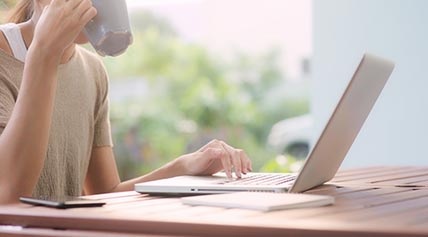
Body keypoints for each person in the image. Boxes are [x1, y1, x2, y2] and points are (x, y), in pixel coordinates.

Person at [0, 0, 252, 204]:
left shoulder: (92, 71)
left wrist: (184, 166)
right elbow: (8, 192)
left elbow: (106, 193)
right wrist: (44, 52)